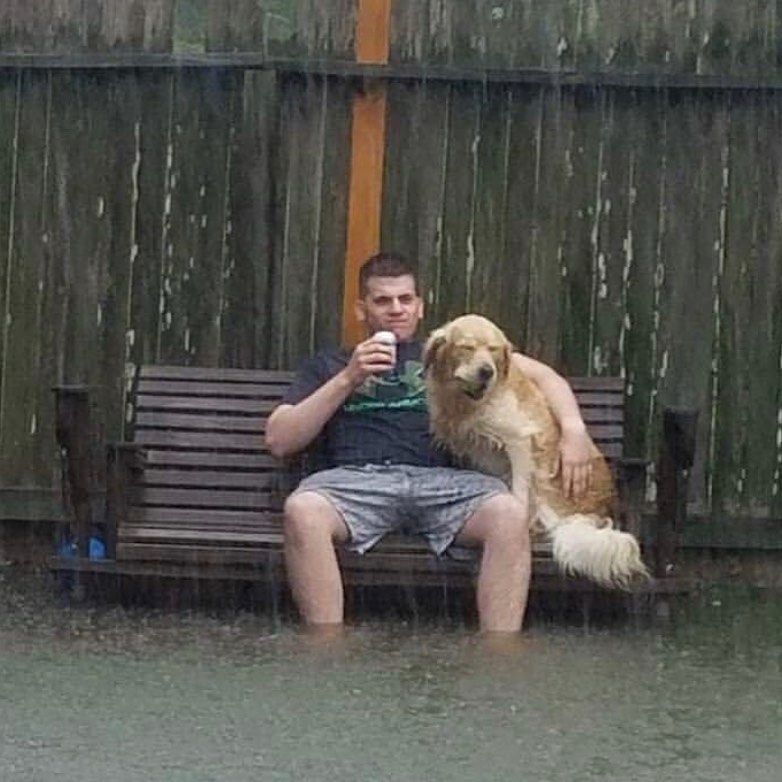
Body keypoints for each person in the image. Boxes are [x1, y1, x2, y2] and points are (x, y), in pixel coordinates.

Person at [265, 252, 594, 634]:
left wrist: (574, 430)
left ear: (420, 307)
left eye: (405, 299)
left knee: (509, 514)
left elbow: (547, 378)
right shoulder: (331, 364)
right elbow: (280, 439)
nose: (396, 309)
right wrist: (348, 377)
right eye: (382, 301)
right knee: (302, 510)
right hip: (358, 480)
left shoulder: (450, 351)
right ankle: (326, 648)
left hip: (444, 482)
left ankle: (500, 650)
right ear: (361, 310)